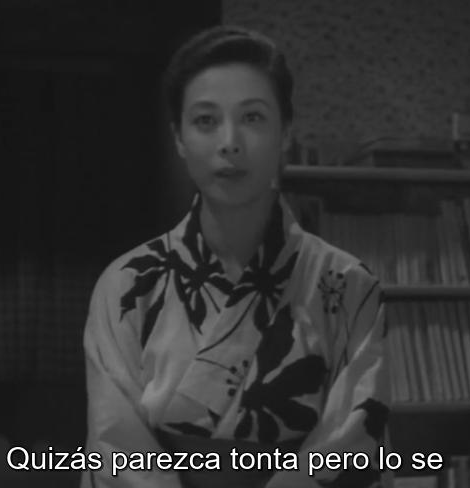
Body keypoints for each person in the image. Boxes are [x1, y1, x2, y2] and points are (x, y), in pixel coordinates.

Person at [81, 25, 388, 488]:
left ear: (285, 132)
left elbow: (351, 441)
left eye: (253, 117)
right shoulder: (127, 284)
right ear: (179, 138)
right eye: (206, 121)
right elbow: (115, 445)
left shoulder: (348, 284)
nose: (230, 142)